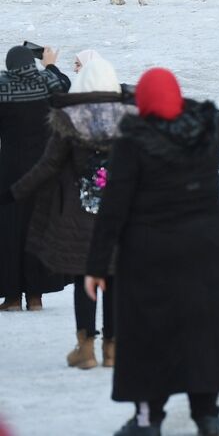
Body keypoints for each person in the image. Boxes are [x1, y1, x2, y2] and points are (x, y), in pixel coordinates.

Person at [85, 68, 219, 436]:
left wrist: (96, 266)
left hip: (150, 254)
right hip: (207, 248)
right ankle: (207, 414)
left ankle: (147, 417)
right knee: (203, 329)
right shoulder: (207, 133)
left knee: (148, 334)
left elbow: (114, 208)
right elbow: (210, 113)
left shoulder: (133, 143)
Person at [2, 52, 130, 368]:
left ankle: (85, 349)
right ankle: (112, 349)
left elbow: (48, 165)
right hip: (119, 212)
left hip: (79, 214)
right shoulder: (129, 119)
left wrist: (14, 192)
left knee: (87, 277)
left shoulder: (69, 120)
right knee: (114, 278)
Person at [0, 44, 71, 312]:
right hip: (44, 168)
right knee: (38, 227)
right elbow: (64, 84)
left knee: (9, 230)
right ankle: (35, 297)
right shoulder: (47, 82)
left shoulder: (2, 88)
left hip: (9, 169)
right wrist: (50, 63)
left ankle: (11, 298)